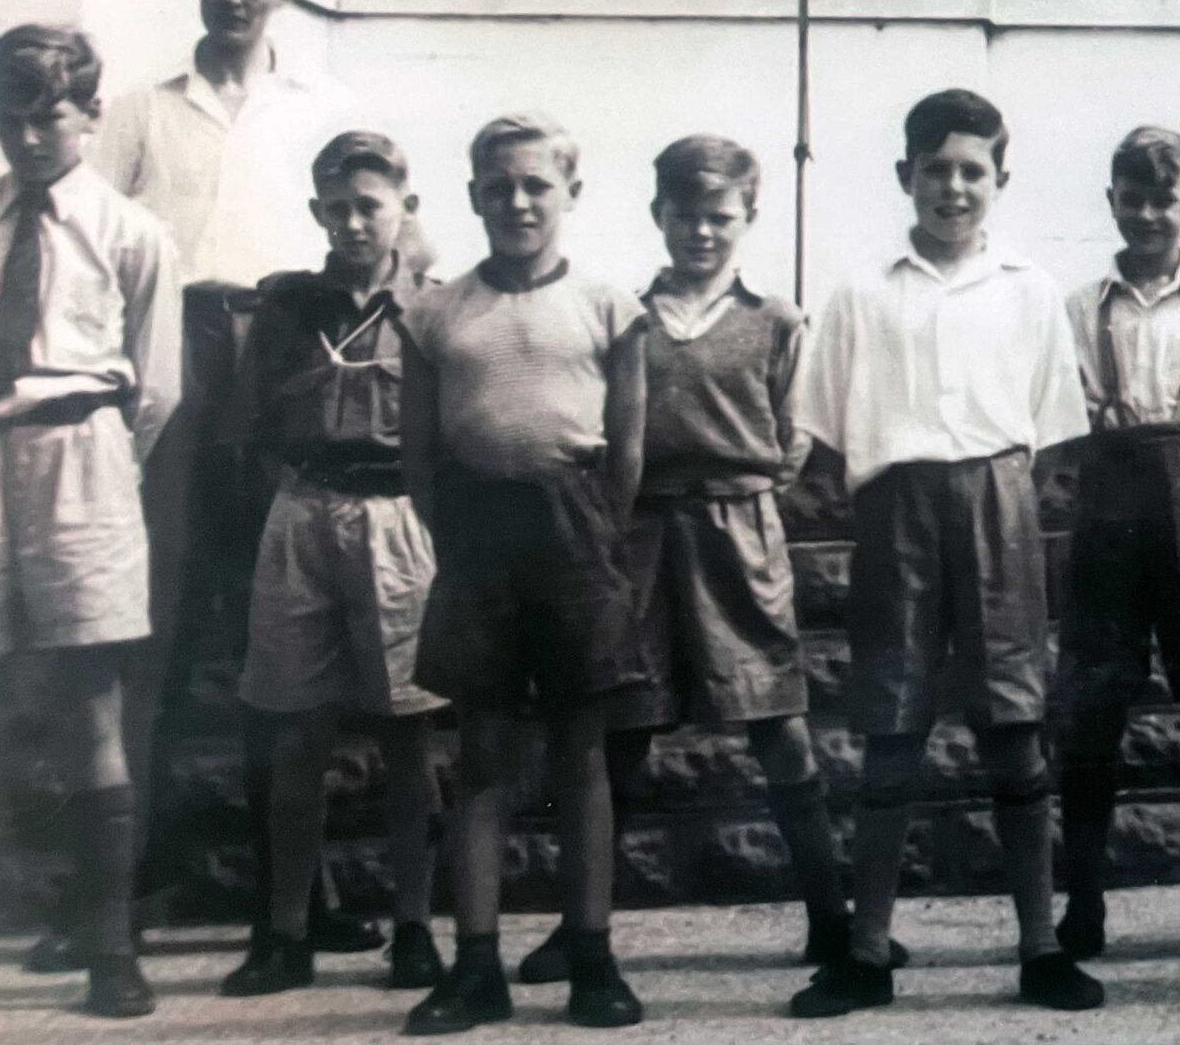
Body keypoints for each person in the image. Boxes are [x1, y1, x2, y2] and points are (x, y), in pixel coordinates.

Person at [84, 0, 382, 965]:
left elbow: (379, 234)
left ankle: (295, 898)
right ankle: (117, 898)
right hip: (169, 360)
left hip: (284, 357)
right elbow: (93, 245)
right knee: (152, 627)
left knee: (288, 637)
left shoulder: (327, 106)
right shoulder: (139, 109)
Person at [787, 90, 1103, 1018]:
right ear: (906, 175)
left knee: (1013, 722)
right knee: (892, 728)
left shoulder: (1029, 289)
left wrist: (994, 499)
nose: (953, 187)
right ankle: (867, 951)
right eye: (937, 169)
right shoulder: (861, 293)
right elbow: (824, 432)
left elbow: (1050, 434)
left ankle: (1040, 947)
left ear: (999, 180)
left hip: (997, 503)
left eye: (973, 171)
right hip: (896, 508)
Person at [508, 137, 848, 986]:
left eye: (719, 215)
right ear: (659, 213)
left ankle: (832, 920)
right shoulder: (625, 314)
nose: (701, 230)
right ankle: (579, 926)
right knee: (622, 730)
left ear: (748, 217)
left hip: (739, 534)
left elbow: (795, 435)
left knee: (778, 723)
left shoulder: (778, 319)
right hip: (641, 534)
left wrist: (741, 489)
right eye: (685, 214)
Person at [397, 114, 648, 1033]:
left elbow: (628, 451)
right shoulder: (437, 313)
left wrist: (589, 531)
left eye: (536, 184)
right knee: (481, 755)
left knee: (581, 752)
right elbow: (418, 458)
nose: (518, 201)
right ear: (474, 195)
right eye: (498, 185)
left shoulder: (610, 304)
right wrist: (465, 532)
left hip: (577, 531)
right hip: (476, 535)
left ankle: (593, 958)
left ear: (569, 193)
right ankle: (476, 966)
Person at [220, 132, 448, 1000]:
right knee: (294, 732)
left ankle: (415, 929)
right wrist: (291, 498)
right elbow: (251, 422)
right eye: (337, 207)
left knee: (408, 735)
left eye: (370, 206)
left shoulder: (433, 307)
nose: (353, 222)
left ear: (405, 208)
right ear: (318, 211)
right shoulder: (287, 306)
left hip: (397, 514)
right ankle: (285, 933)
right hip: (305, 511)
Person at [0, 25, 182, 1018]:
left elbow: (156, 389)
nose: (29, 137)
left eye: (49, 116)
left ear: (91, 114)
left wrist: (97, 462)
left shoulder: (130, 231)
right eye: (10, 117)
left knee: (91, 701)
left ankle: (112, 947)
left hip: (84, 458)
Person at [1053, 127, 1180, 963]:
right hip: (1110, 502)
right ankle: (1084, 902)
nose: (1146, 214)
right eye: (1130, 198)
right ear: (1111, 201)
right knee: (1092, 707)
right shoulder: (1080, 306)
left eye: (1162, 199)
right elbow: (1062, 417)